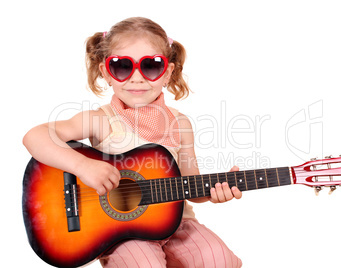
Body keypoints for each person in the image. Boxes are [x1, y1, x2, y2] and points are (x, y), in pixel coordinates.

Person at [23, 17, 242, 268]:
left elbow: (191, 183)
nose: (136, 78)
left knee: (219, 259)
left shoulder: (180, 124)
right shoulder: (100, 120)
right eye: (122, 66)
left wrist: (215, 191)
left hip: (177, 223)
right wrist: (83, 166)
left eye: (150, 66)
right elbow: (35, 136)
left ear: (167, 73)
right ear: (106, 72)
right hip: (123, 233)